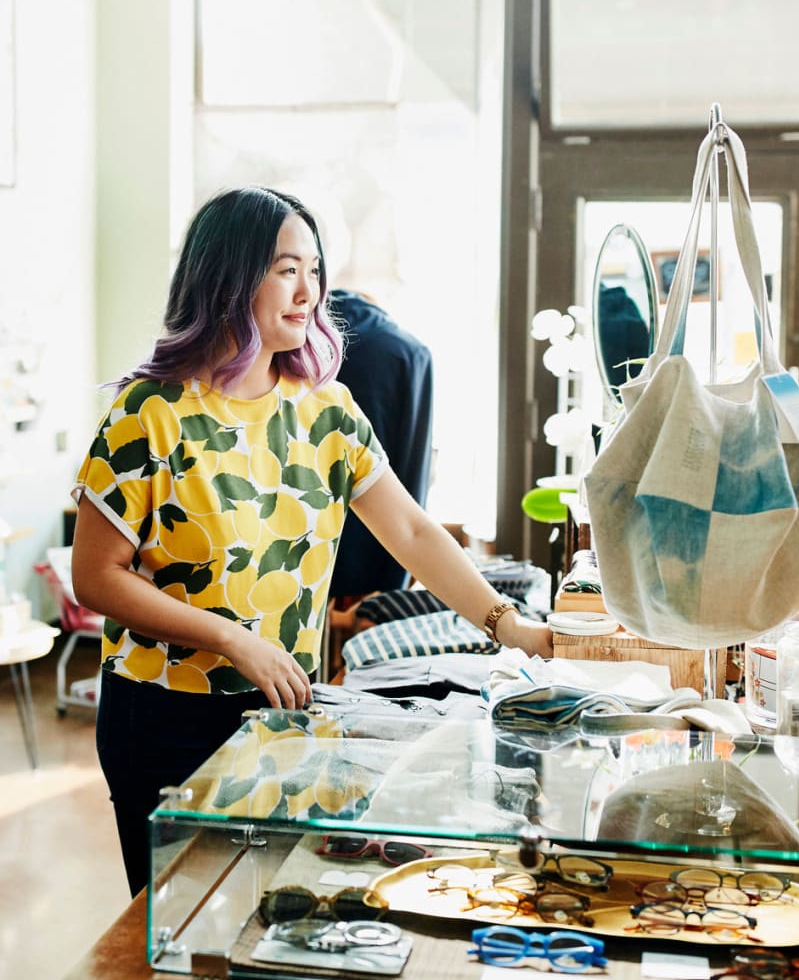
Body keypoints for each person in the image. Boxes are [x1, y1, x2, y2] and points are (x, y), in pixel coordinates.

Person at [70, 186, 553, 897]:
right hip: (163, 716)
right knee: (177, 926)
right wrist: (232, 638)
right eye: (286, 269)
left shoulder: (326, 409)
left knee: (269, 913)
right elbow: (97, 578)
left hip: (282, 711)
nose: (310, 291)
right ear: (230, 277)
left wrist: (508, 624)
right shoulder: (150, 413)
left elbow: (413, 531)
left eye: (315, 270)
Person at [329, 286, 434, 596]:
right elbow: (414, 458)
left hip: (305, 543)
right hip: (383, 532)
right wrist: (396, 580)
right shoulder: (410, 352)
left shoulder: (297, 341)